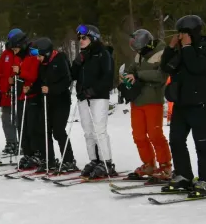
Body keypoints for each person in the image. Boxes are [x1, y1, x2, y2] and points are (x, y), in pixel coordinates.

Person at [160, 15, 206, 196]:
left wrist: (186, 47)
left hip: (199, 103)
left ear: (192, 32)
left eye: (184, 33)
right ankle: (184, 175)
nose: (181, 36)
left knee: (202, 143)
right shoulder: (182, 50)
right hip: (182, 103)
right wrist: (170, 48)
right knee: (176, 140)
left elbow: (196, 67)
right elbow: (166, 67)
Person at [120, 29, 171, 180]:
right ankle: (148, 164)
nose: (137, 51)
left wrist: (138, 75)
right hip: (137, 100)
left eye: (138, 48)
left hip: (152, 100)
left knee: (155, 134)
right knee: (139, 135)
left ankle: (165, 166)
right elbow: (131, 70)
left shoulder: (162, 53)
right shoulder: (139, 55)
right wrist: (125, 76)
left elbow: (161, 76)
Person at [71, 24, 116, 179]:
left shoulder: (104, 54)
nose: (81, 41)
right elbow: (73, 76)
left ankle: (106, 162)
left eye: (84, 38)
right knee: (88, 131)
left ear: (93, 38)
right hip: (83, 97)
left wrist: (93, 91)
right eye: (79, 38)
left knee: (99, 130)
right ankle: (94, 159)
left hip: (98, 97)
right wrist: (76, 64)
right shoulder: (84, 56)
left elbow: (108, 79)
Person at [30, 38, 77, 173]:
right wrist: (31, 89)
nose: (38, 59)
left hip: (61, 101)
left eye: (39, 56)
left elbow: (67, 80)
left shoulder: (60, 59)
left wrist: (51, 89)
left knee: (58, 131)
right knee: (44, 130)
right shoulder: (43, 64)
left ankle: (69, 160)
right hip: (47, 101)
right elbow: (40, 82)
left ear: (47, 53)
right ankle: (49, 160)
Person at [7, 29, 41, 169]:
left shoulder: (32, 55)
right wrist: (12, 80)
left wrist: (20, 72)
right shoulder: (18, 57)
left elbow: (33, 75)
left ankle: (37, 153)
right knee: (20, 126)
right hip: (21, 95)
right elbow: (17, 73)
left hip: (32, 95)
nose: (14, 52)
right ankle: (27, 153)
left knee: (31, 127)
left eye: (16, 49)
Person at [0, 30, 22, 155]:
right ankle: (11, 142)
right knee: (6, 119)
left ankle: (22, 143)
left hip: (19, 93)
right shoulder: (5, 54)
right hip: (6, 93)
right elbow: (0, 72)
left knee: (19, 119)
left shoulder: (23, 54)